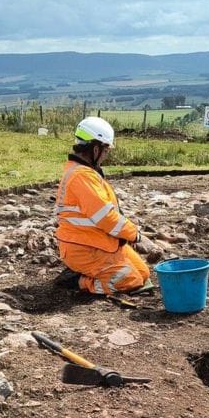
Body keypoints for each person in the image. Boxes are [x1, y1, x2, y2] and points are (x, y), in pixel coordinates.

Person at [54, 116, 163, 295]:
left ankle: (88, 273)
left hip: (97, 243)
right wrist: (136, 236)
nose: (105, 156)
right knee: (130, 280)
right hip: (83, 248)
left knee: (143, 273)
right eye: (106, 151)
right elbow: (107, 217)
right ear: (96, 149)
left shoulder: (85, 172)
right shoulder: (81, 176)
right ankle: (79, 282)